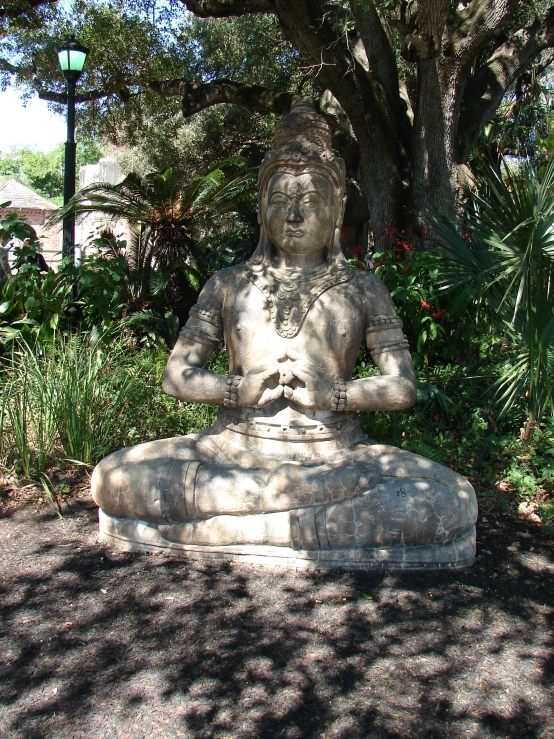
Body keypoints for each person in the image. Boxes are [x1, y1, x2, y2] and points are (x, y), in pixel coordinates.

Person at [92, 101, 477, 569]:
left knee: (453, 500)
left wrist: (334, 394)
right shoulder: (229, 283)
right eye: (279, 200)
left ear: (336, 212)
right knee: (111, 476)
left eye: (310, 201)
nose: (293, 215)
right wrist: (236, 389)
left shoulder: (361, 288)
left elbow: (401, 386)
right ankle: (298, 524)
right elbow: (177, 375)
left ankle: (228, 526)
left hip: (335, 456)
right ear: (261, 210)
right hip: (231, 448)